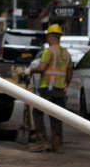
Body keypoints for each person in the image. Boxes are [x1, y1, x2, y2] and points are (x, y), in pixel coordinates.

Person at [27, 23, 73, 152]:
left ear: (51, 37)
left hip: (47, 88)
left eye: (48, 36)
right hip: (59, 89)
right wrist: (65, 85)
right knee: (57, 116)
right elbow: (69, 73)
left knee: (37, 112)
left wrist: (30, 71)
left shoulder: (49, 51)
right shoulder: (66, 53)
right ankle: (57, 145)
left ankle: (42, 141)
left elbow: (41, 68)